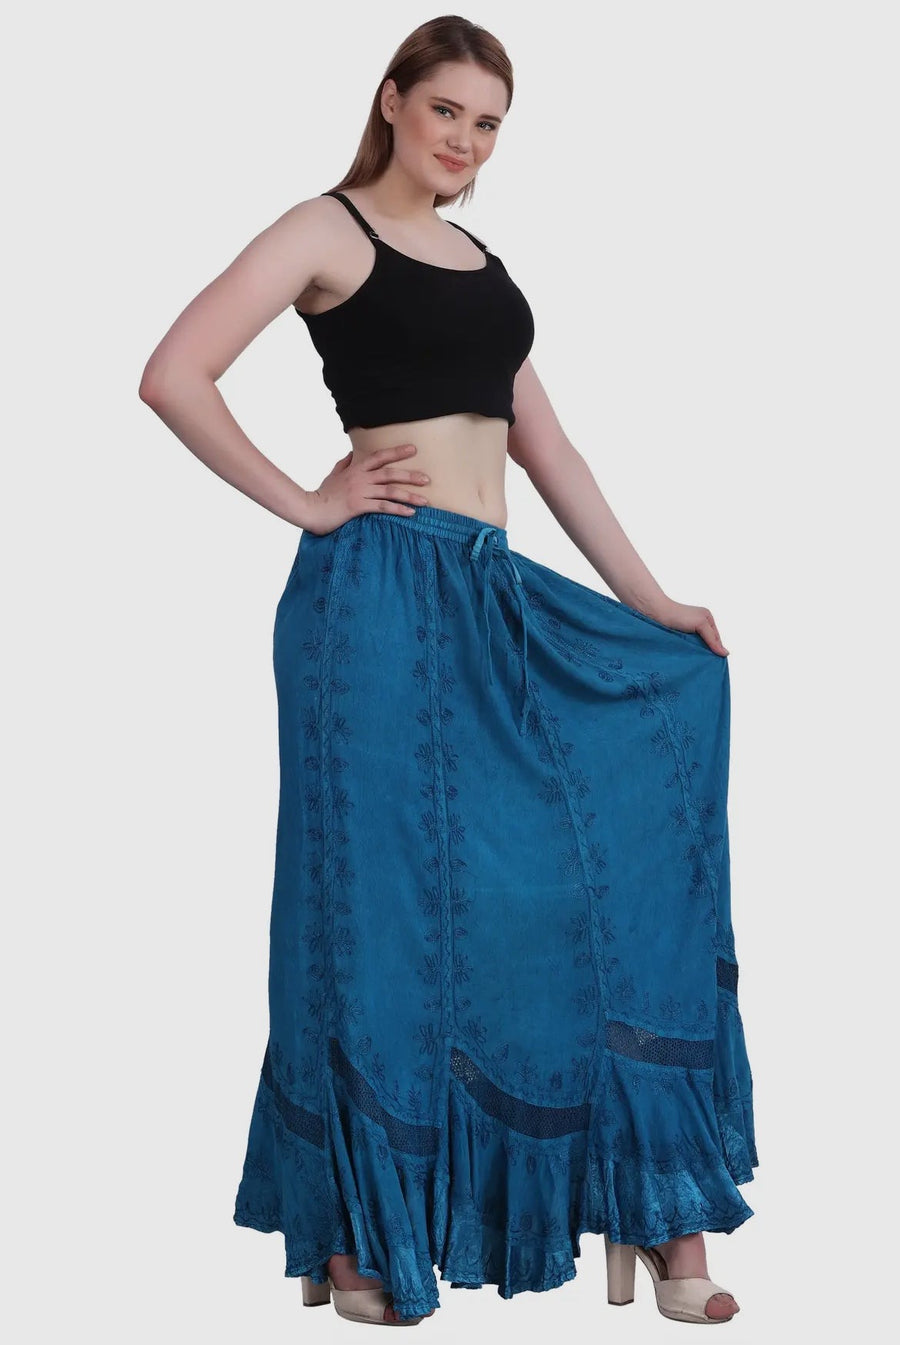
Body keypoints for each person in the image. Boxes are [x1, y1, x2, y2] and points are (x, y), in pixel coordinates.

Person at [139, 13, 757, 1329]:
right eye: (447, 112)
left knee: (571, 884)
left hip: (488, 593)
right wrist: (310, 502)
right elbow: (173, 374)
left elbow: (550, 450)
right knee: (372, 912)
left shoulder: (483, 263)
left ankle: (656, 1209)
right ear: (392, 100)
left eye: (488, 124)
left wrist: (650, 599)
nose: (466, 141)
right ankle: (355, 1236)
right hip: (371, 601)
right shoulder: (325, 230)